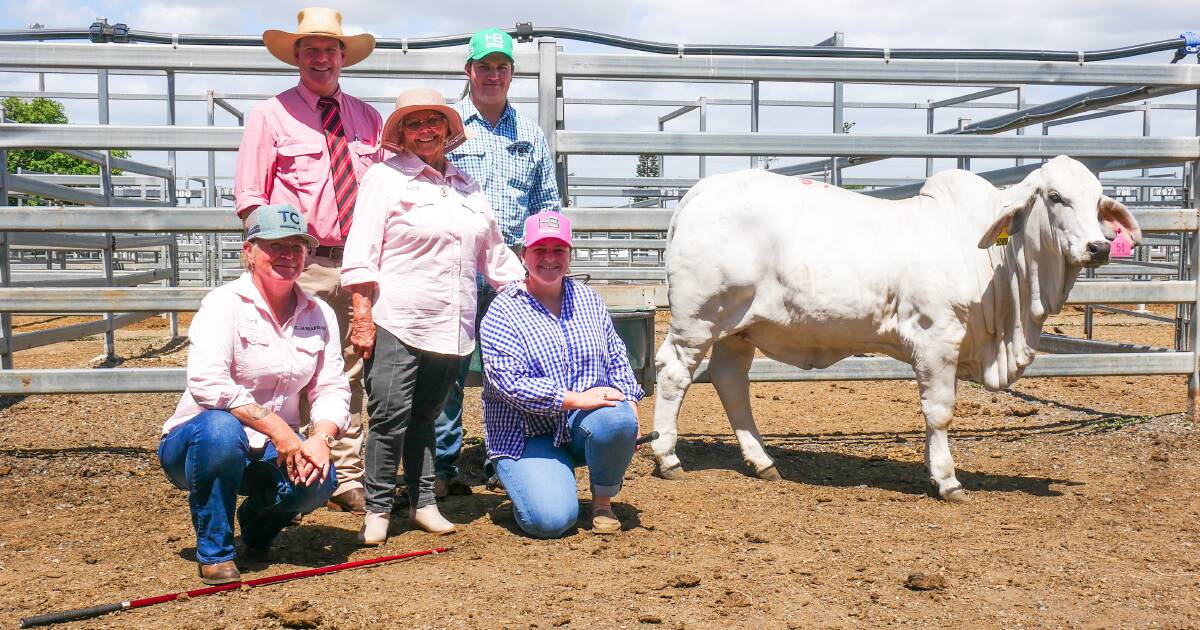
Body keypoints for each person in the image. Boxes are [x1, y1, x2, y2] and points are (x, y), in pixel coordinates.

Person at [341, 88, 525, 545]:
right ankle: (379, 509)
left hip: (453, 322)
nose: (425, 131)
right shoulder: (384, 178)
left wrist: (527, 297)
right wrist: (362, 315)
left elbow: (495, 253)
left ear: (447, 129)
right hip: (398, 318)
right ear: (401, 133)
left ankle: (424, 501)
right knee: (388, 415)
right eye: (414, 123)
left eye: (433, 121)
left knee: (427, 415)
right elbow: (361, 250)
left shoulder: (466, 185)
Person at [234, 7, 382, 514]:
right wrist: (273, 258)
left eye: (330, 49)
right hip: (298, 259)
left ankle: (344, 474)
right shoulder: (269, 116)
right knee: (282, 365)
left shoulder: (368, 119)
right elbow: (252, 198)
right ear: (297, 57)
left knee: (351, 368)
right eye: (311, 49)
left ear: (343, 57)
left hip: (357, 258)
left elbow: (380, 195)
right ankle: (281, 467)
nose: (322, 58)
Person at [158, 204, 351, 585]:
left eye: (296, 247)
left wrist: (321, 438)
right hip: (197, 445)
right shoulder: (223, 304)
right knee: (219, 428)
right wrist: (281, 431)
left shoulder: (320, 313)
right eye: (274, 246)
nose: (287, 256)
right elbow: (208, 382)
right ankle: (215, 551)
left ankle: (257, 526)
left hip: (269, 449)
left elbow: (330, 386)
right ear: (249, 252)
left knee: (320, 479)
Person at [434, 27, 563, 496]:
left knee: (507, 365)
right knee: (447, 362)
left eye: (501, 68)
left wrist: (540, 263)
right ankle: (443, 465)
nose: (492, 75)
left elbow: (546, 204)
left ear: (511, 75)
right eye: (483, 67)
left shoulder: (529, 134)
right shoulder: (445, 129)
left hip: (509, 265)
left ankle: (503, 456)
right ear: (469, 71)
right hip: (454, 263)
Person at [479, 211, 643, 539]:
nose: (550, 258)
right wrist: (576, 399)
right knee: (550, 521)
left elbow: (616, 358)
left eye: (559, 250)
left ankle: (601, 503)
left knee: (620, 419)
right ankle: (532, 477)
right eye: (540, 250)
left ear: (569, 255)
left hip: (581, 424)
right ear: (523, 255)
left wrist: (632, 409)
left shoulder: (589, 301)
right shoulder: (503, 310)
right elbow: (508, 381)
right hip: (524, 432)